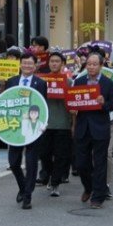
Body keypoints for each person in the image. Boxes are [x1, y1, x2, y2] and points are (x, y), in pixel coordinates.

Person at [72, 52, 113, 209]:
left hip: (100, 127)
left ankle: (98, 196)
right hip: (82, 127)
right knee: (81, 163)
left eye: (94, 64)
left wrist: (104, 103)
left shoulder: (108, 84)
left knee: (99, 163)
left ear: (101, 65)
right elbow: (72, 102)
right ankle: (89, 187)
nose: (91, 67)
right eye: (89, 64)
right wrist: (72, 108)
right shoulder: (78, 82)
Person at [5, 53, 47, 210]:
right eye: (24, 63)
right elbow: (5, 104)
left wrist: (43, 123)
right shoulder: (11, 82)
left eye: (30, 63)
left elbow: (43, 105)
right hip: (15, 127)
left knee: (31, 163)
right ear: (20, 64)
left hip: (33, 129)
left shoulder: (41, 83)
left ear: (35, 65)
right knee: (13, 162)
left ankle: (27, 195)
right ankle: (23, 187)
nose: (27, 66)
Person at [37, 51, 73, 197]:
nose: (54, 63)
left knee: (60, 155)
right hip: (45, 124)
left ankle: (55, 183)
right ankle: (49, 174)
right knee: (44, 154)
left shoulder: (69, 82)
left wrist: (72, 123)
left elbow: (73, 103)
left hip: (63, 124)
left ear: (62, 64)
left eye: (57, 61)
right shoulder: (41, 81)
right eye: (52, 61)